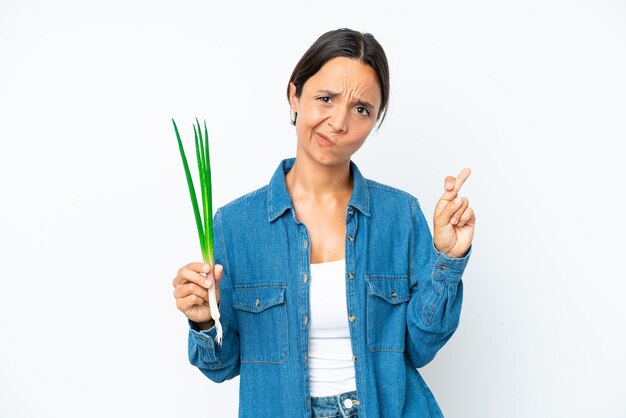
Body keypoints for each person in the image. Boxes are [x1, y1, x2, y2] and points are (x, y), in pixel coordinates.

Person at [172, 27, 475, 418]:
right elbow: (221, 366)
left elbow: (421, 347)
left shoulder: (400, 216)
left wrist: (448, 260)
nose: (338, 122)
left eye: (361, 109)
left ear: (376, 119)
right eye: (326, 99)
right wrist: (201, 320)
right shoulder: (235, 225)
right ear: (294, 94)